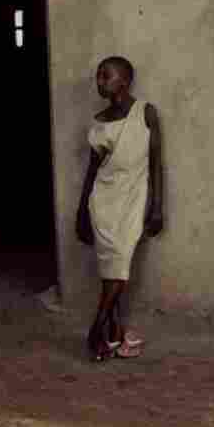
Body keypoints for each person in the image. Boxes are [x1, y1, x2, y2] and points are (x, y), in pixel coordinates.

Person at [76, 56, 163, 362]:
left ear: (124, 81)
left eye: (105, 76)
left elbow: (156, 164)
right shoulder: (99, 123)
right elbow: (92, 170)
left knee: (119, 268)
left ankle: (95, 330)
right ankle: (113, 334)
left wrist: (157, 206)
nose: (99, 81)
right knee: (112, 271)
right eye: (98, 76)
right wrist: (81, 211)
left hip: (133, 201)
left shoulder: (145, 113)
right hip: (103, 203)